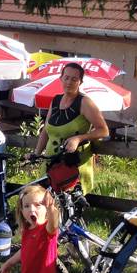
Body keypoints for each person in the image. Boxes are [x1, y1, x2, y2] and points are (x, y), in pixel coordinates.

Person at [29, 62, 110, 192]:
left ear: (80, 82)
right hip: (50, 163)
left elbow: (104, 130)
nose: (69, 82)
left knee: (68, 208)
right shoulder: (55, 100)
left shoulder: (85, 103)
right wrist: (36, 154)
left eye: (74, 79)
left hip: (73, 166)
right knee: (44, 204)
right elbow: (46, 130)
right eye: (66, 78)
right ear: (61, 78)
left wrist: (79, 138)